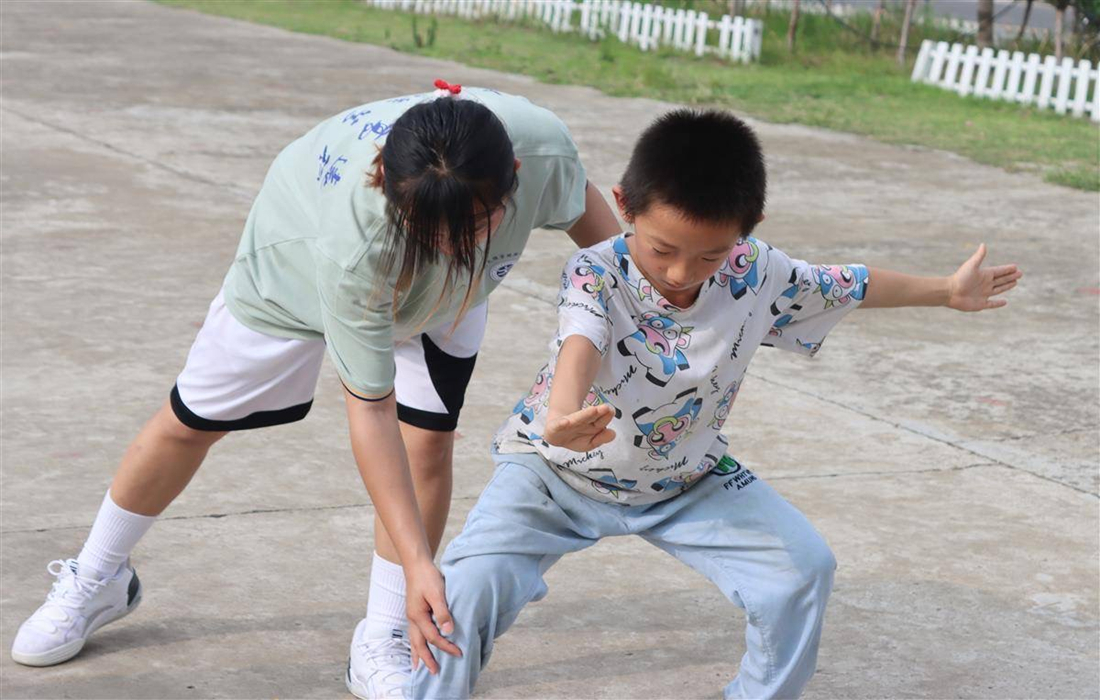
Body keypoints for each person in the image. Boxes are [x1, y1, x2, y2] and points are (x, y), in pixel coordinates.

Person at [10, 82, 620, 700]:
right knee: (191, 421)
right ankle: (99, 576)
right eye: (431, 232)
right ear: (384, 180)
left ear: (515, 175)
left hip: (447, 297)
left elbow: (607, 254)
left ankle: (384, 632)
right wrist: (420, 566)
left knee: (429, 444)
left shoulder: (541, 149)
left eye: (475, 226)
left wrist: (653, 319)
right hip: (297, 266)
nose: (448, 248)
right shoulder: (354, 247)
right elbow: (371, 414)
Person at [405, 109, 1023, 700]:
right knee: (460, 593)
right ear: (624, 206)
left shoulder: (757, 272)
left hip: (684, 479)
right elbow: (581, 339)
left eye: (709, 255)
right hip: (552, 472)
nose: (681, 272)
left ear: (747, 228)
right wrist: (561, 418)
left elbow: (848, 283)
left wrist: (947, 290)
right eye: (662, 249)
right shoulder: (594, 270)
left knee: (803, 570)